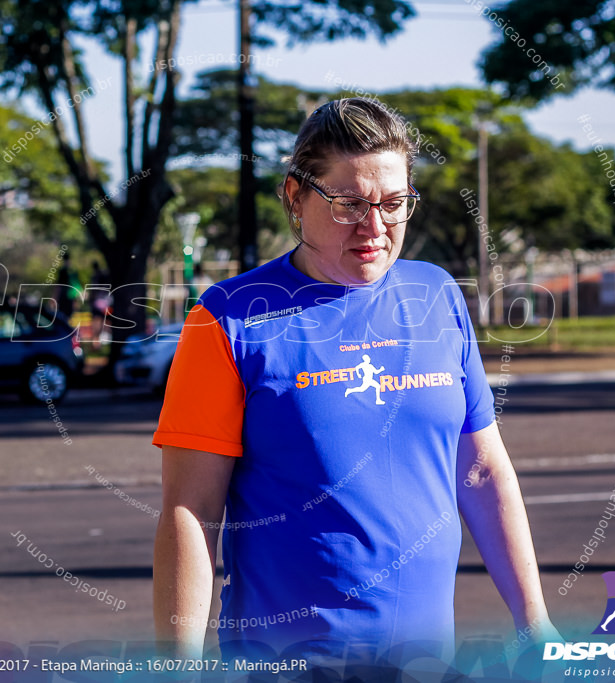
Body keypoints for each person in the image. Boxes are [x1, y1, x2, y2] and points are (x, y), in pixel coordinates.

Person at [152, 98, 560, 672]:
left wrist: (533, 621)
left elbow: (481, 468)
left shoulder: (436, 294)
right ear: (296, 196)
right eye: (348, 205)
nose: (375, 228)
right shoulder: (228, 318)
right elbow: (190, 512)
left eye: (394, 204)